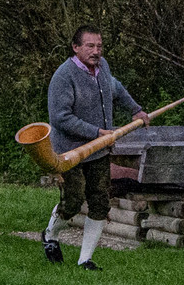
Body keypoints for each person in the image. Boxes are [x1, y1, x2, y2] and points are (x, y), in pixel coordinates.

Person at [40, 25, 150, 270]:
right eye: (90, 46)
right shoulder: (63, 76)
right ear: (76, 47)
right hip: (70, 152)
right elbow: (60, 118)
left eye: (99, 46)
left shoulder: (103, 67)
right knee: (74, 200)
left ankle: (85, 259)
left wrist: (136, 110)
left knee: (100, 202)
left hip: (99, 149)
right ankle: (50, 235)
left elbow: (116, 88)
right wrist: (96, 132)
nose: (96, 51)